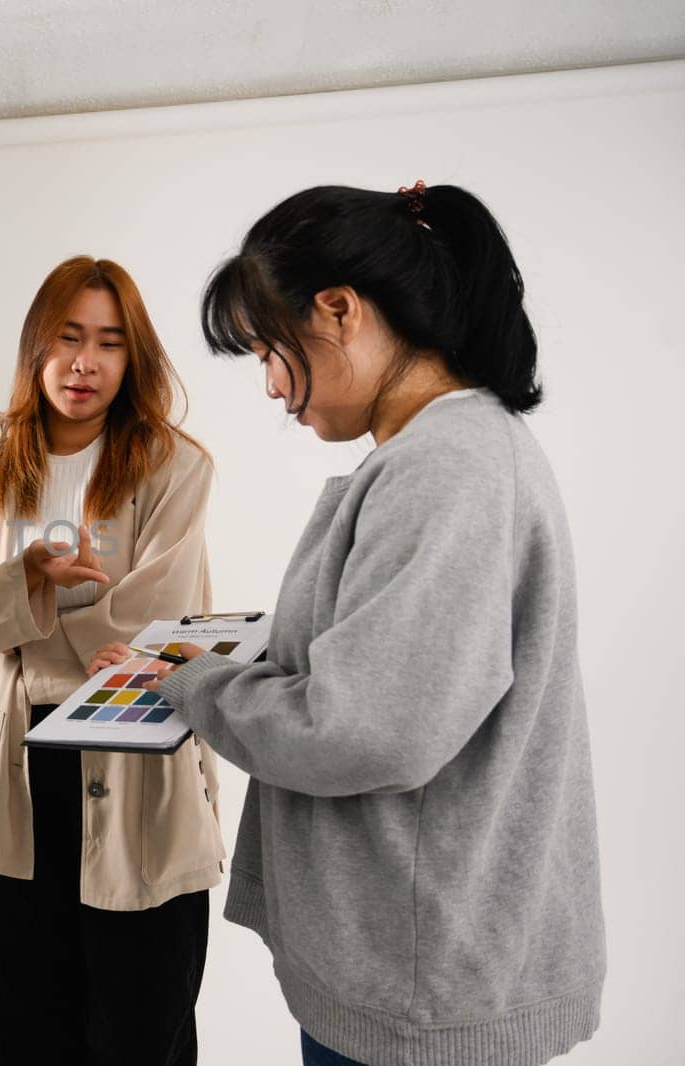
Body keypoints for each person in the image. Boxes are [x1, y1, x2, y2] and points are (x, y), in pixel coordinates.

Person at [92, 183, 606, 1065]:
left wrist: (191, 680)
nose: (269, 388)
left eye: (268, 351)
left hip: (418, 987)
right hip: (415, 963)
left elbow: (361, 730)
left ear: (338, 311)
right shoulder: (443, 453)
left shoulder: (447, 468)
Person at [0, 256, 221, 1066]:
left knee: (145, 1027)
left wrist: (20, 603)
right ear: (37, 347)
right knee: (31, 1028)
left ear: (131, 358)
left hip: (137, 758)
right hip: (17, 775)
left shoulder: (178, 465)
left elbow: (152, 615)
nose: (85, 362)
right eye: (68, 338)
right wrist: (22, 594)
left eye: (108, 343)